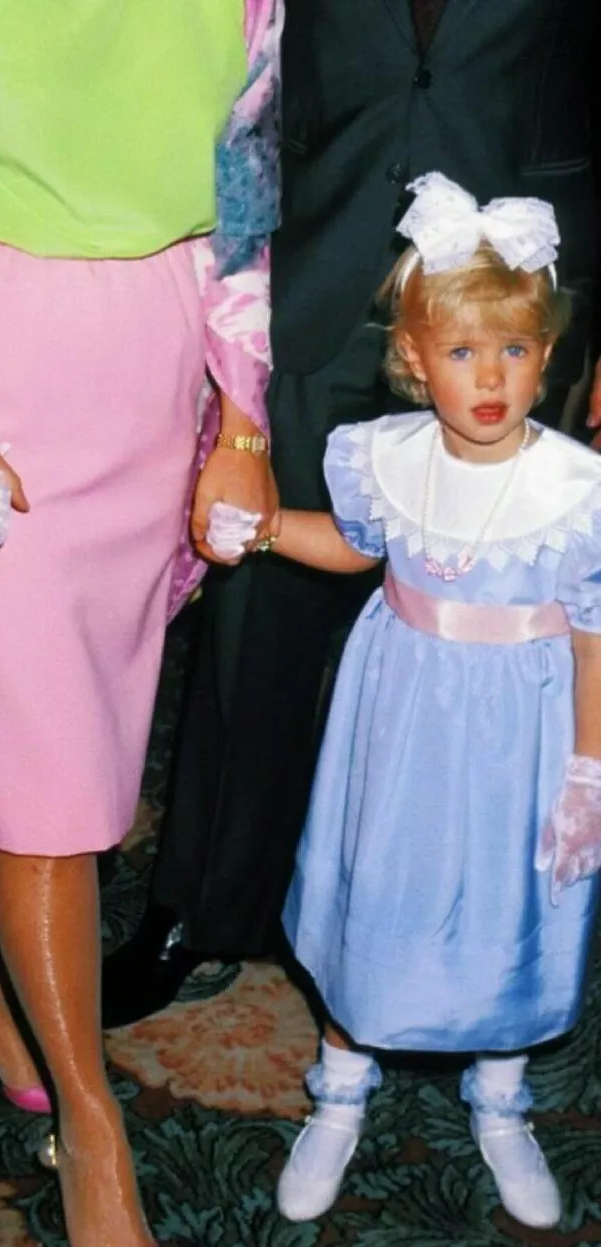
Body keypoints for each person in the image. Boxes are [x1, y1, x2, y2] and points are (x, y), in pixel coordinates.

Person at [0, 1, 283, 1242]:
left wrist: (242, 422)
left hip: (155, 364)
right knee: (51, 791)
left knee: (59, 739)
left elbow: (243, 190)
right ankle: (96, 1134)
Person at [103, 0, 599, 1029]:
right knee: (254, 634)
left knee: (509, 650)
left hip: (516, 316)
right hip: (318, 291)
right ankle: (203, 907)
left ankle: (496, 940)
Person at [270, 173, 601, 1228]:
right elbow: (352, 547)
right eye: (461, 351)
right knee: (382, 884)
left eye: (515, 348)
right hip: (402, 714)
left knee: (511, 896)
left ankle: (499, 1095)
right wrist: (264, 527)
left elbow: (594, 634)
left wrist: (588, 769)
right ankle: (340, 1081)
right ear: (413, 358)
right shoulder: (382, 457)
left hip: (527, 731)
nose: (490, 376)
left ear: (547, 353)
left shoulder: (578, 490)